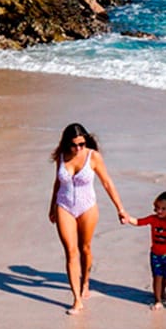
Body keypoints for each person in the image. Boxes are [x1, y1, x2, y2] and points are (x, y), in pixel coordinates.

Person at [49, 123, 130, 315]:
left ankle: (85, 281)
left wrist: (120, 209)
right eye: (74, 145)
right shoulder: (61, 157)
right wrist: (52, 206)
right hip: (64, 206)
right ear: (66, 143)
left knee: (85, 248)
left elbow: (107, 183)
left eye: (82, 144)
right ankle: (76, 299)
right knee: (71, 251)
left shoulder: (93, 157)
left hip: (87, 207)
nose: (78, 149)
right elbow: (57, 183)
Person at [125, 191, 166, 311]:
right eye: (157, 208)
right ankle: (157, 299)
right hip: (156, 255)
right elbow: (138, 222)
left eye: (163, 208)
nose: (159, 211)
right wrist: (127, 218)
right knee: (157, 277)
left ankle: (163, 292)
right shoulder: (153, 219)